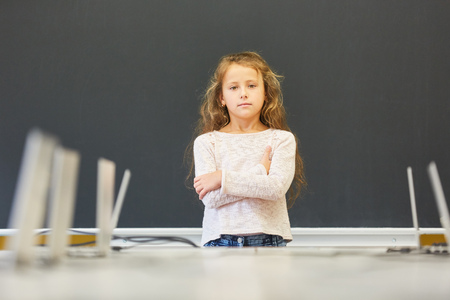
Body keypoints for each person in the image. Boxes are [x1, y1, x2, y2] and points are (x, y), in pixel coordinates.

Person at [188, 51, 306, 247]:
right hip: (219, 241)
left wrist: (221, 178)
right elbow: (211, 199)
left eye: (251, 85)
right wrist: (259, 172)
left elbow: (275, 188)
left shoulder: (281, 140)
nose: (243, 93)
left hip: (269, 241)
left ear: (265, 93)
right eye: (233, 87)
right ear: (221, 98)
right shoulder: (207, 143)